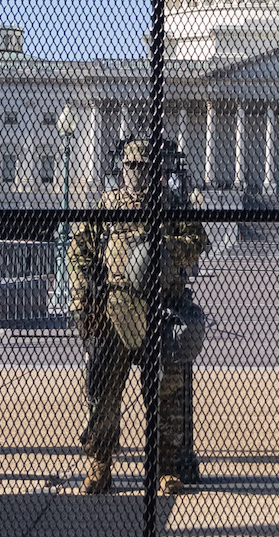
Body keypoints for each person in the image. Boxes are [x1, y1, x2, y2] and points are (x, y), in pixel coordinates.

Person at [68, 137, 209, 495]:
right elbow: (79, 247)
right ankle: (101, 465)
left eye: (145, 168)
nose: (138, 174)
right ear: (122, 170)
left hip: (157, 309)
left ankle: (163, 467)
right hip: (115, 309)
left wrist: (170, 251)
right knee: (103, 389)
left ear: (156, 171)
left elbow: (198, 239)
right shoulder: (108, 205)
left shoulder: (171, 204)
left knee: (165, 391)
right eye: (132, 167)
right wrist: (82, 292)